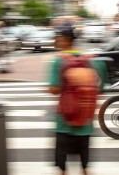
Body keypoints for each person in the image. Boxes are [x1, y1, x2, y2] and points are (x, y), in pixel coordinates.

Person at [48, 25, 93, 175]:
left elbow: (54, 89)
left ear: (66, 40)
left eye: (58, 37)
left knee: (62, 166)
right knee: (85, 165)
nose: (56, 40)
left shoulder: (58, 61)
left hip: (65, 120)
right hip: (84, 119)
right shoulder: (86, 59)